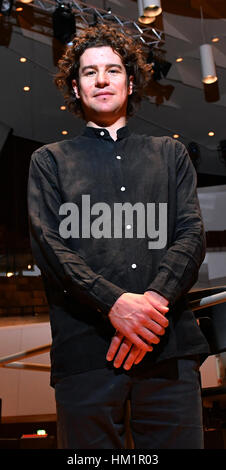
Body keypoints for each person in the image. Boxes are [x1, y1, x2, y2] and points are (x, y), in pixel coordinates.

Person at [27, 24, 210, 449]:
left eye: (112, 70)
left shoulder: (171, 153)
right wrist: (115, 303)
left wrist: (150, 304)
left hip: (170, 350)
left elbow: (191, 235)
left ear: (130, 81)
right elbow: (49, 247)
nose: (102, 80)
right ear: (75, 88)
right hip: (86, 353)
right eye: (90, 73)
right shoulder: (48, 161)